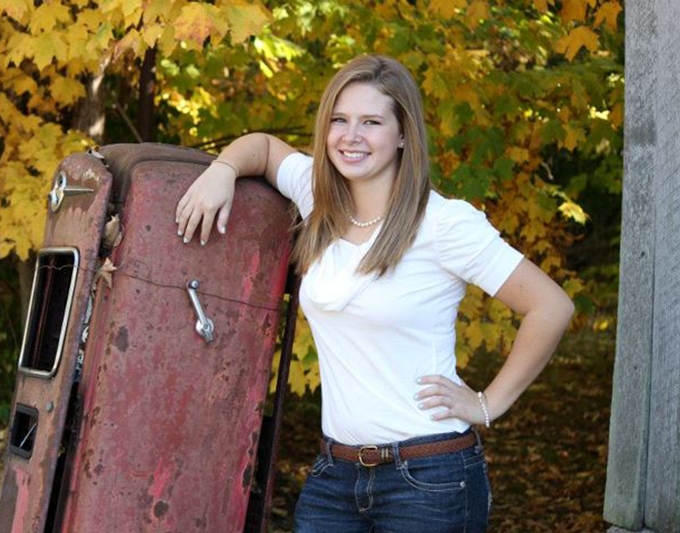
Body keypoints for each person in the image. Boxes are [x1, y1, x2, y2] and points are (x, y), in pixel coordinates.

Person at [175, 55, 574, 532]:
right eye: (339, 120)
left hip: (428, 478)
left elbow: (551, 306)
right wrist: (221, 170)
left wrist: (487, 404)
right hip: (334, 476)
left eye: (371, 122)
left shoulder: (444, 224)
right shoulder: (318, 198)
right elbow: (261, 147)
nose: (351, 136)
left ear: (404, 134)